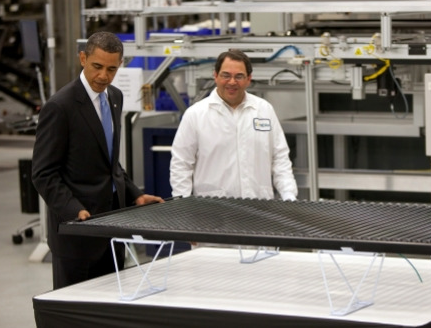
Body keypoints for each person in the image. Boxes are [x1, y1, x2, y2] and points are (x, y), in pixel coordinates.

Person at [32, 31, 164, 289]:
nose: (104, 75)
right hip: (77, 233)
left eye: (112, 69)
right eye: (97, 66)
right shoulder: (60, 107)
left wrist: (135, 193)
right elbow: (43, 173)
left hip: (111, 229)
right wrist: (74, 210)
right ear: (83, 58)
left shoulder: (115, 97)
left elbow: (110, 163)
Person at [170, 49, 297, 201]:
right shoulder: (195, 114)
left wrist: (289, 195)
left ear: (249, 79)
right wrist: (181, 203)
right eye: (226, 75)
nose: (232, 82)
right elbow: (181, 164)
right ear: (215, 76)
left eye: (239, 76)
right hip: (212, 210)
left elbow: (280, 158)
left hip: (260, 206)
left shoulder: (264, 110)